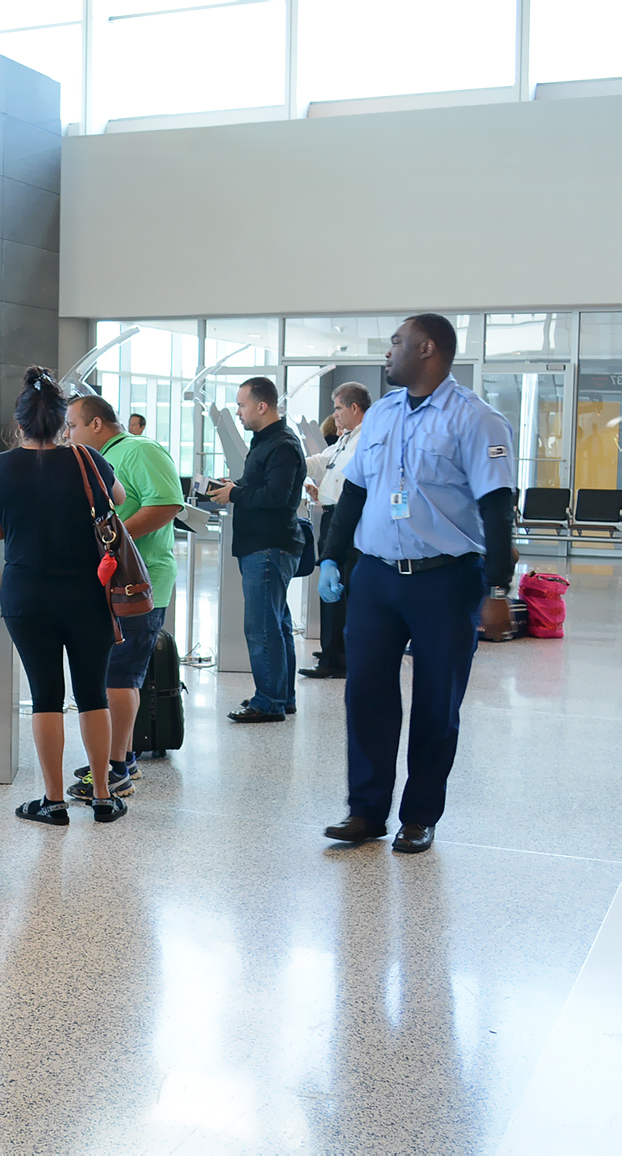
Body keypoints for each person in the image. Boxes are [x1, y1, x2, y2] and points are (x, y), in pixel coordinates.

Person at [319, 314, 515, 854]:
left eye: (396, 343)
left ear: (428, 349)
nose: (388, 352)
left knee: (437, 700)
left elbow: (499, 510)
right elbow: (354, 493)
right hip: (377, 578)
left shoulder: (476, 419)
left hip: (446, 580)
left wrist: (498, 590)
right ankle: (365, 811)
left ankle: (420, 815)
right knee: (366, 695)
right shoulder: (380, 414)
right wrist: (332, 557)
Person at [0, 371, 128, 825]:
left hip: (27, 597)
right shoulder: (88, 460)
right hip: (88, 594)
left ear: (18, 424)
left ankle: (53, 800)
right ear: (64, 423)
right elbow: (115, 501)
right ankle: (103, 796)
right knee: (92, 694)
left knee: (45, 695)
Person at [63, 393, 184, 796]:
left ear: (96, 424)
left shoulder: (138, 449)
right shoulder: (96, 462)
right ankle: (122, 757)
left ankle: (116, 768)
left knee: (120, 675)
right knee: (115, 673)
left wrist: (114, 538)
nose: (68, 434)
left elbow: (167, 503)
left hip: (140, 584)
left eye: (73, 425)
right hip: (112, 584)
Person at [208, 376, 307, 723]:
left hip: (269, 547)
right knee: (276, 625)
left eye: (241, 405)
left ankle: (269, 701)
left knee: (262, 627)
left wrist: (235, 494)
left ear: (262, 406)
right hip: (262, 545)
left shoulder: (282, 445)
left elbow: (276, 497)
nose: (238, 412)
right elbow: (263, 487)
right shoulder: (265, 442)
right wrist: (236, 486)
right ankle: (282, 696)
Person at [299, 382, 370, 679]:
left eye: (339, 408)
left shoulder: (366, 439)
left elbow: (349, 481)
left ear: (355, 408)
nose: (335, 415)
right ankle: (331, 653)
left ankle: (338, 657)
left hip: (350, 522)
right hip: (330, 516)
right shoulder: (345, 439)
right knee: (331, 593)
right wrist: (292, 467)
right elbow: (322, 463)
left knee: (344, 590)